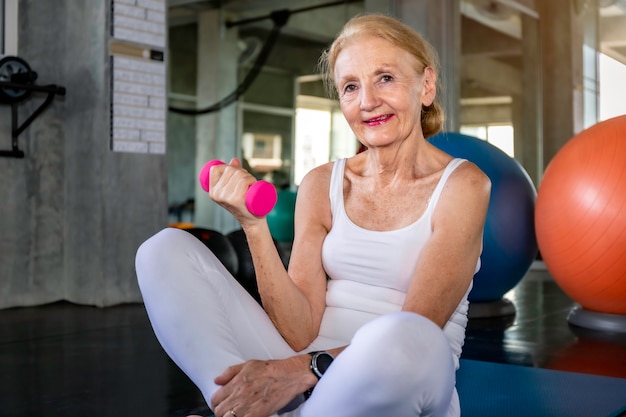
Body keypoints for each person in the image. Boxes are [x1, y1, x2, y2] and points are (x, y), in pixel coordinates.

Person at [136, 13, 490, 417]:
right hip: (301, 374)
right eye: (351, 87)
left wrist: (303, 370)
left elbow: (421, 325)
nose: (368, 101)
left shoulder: (463, 185)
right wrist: (253, 225)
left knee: (404, 334)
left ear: (425, 86)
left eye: (385, 78)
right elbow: (298, 329)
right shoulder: (322, 183)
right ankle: (236, 405)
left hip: (399, 377)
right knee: (162, 249)